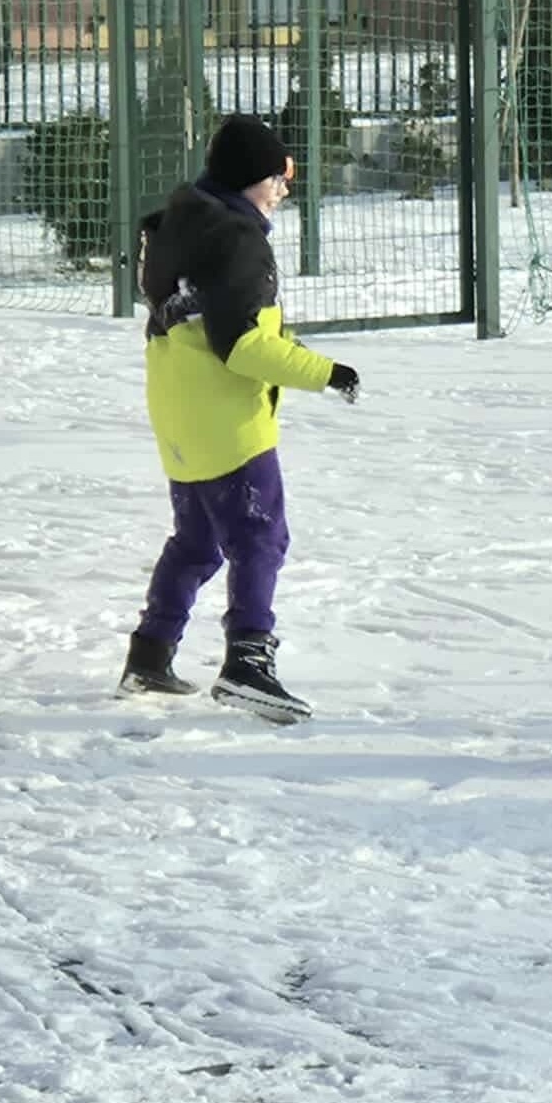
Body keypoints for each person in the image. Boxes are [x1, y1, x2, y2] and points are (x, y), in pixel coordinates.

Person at [117, 114, 362, 724]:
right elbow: (244, 346)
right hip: (229, 423)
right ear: (255, 177)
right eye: (282, 175)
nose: (285, 188)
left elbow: (206, 319)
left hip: (180, 413)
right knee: (260, 537)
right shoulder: (238, 240)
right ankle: (248, 662)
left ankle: (150, 654)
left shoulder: (183, 221)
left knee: (197, 543)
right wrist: (326, 371)